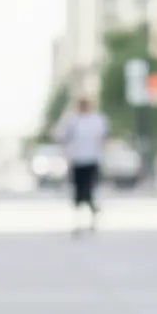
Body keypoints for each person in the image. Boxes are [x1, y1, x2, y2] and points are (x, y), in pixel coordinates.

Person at [53, 97, 109, 234]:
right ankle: (78, 221)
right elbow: (59, 135)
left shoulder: (98, 119)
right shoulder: (72, 120)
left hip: (93, 159)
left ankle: (92, 219)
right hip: (77, 160)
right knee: (78, 191)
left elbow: (104, 137)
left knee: (90, 190)